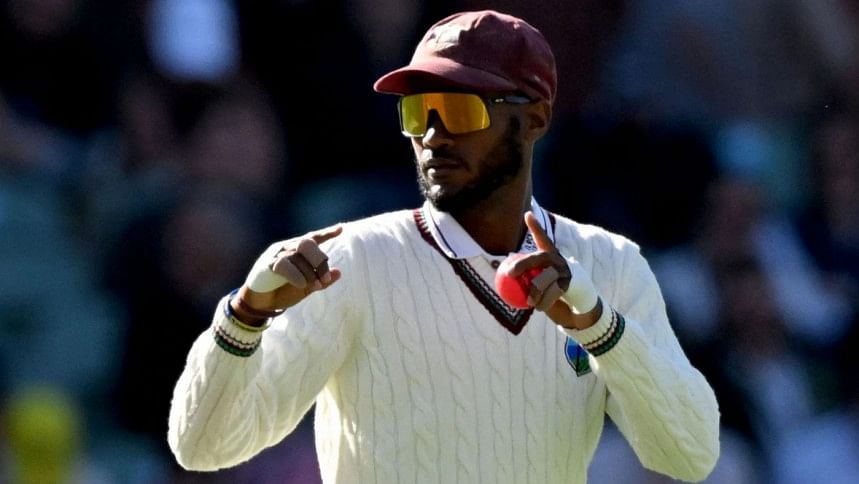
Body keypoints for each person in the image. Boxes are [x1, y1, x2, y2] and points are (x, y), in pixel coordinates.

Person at [167, 10, 720, 483]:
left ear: (534, 118)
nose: (432, 135)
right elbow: (202, 448)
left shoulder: (610, 264)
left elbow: (691, 455)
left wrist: (600, 329)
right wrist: (244, 319)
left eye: (459, 111)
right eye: (418, 111)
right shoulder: (353, 262)